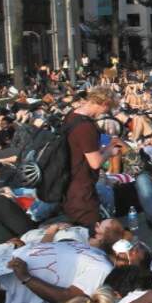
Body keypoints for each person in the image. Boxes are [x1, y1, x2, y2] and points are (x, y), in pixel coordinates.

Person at [64, 86, 119, 227]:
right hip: (82, 187)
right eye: (108, 109)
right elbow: (95, 163)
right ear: (104, 104)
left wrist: (107, 147)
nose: (106, 113)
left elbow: (82, 150)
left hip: (70, 180)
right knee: (90, 229)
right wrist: (110, 152)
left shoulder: (72, 116)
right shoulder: (85, 127)